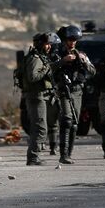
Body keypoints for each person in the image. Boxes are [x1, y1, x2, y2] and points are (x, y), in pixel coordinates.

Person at [53, 25, 96, 164]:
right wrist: (63, 61)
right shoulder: (58, 54)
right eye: (70, 40)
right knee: (66, 119)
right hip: (64, 90)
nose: (72, 42)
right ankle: (63, 154)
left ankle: (68, 154)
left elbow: (93, 71)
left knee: (74, 123)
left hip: (77, 91)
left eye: (74, 40)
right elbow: (49, 69)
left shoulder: (80, 54)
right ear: (65, 40)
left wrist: (83, 60)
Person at [22, 32, 60, 165]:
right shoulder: (34, 58)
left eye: (49, 44)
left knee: (41, 127)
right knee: (40, 128)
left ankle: (34, 156)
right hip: (36, 97)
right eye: (47, 44)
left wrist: (59, 63)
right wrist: (46, 69)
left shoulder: (39, 57)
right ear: (40, 44)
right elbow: (33, 77)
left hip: (40, 96)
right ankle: (32, 158)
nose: (49, 47)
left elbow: (46, 70)